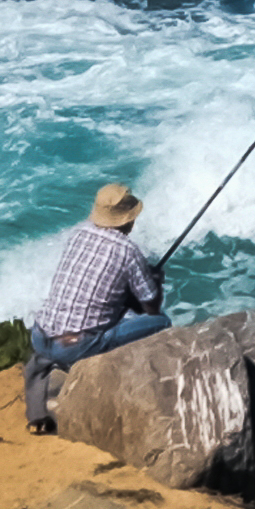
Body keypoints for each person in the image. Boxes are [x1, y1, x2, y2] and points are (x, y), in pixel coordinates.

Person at [22, 180, 166, 431]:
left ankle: (37, 418)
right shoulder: (128, 251)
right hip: (76, 346)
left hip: (41, 335)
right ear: (128, 219)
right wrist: (155, 282)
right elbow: (151, 307)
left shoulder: (78, 233)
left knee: (40, 362)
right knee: (162, 323)